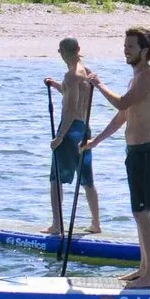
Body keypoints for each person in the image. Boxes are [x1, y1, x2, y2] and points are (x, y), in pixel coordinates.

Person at [83, 24, 150, 288]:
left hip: (146, 152)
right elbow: (122, 115)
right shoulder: (136, 78)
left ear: (144, 49)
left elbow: (121, 102)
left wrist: (99, 84)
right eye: (125, 46)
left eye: (131, 46)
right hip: (134, 151)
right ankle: (143, 270)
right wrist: (96, 141)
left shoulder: (148, 77)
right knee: (137, 212)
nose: (126, 51)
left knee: (142, 213)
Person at [44, 37, 104, 236]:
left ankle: (57, 224)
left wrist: (59, 137)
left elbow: (70, 109)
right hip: (84, 130)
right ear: (79, 50)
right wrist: (55, 85)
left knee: (56, 179)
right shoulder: (86, 74)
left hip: (69, 131)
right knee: (87, 179)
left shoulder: (71, 76)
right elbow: (72, 96)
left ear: (61, 52)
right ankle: (96, 223)